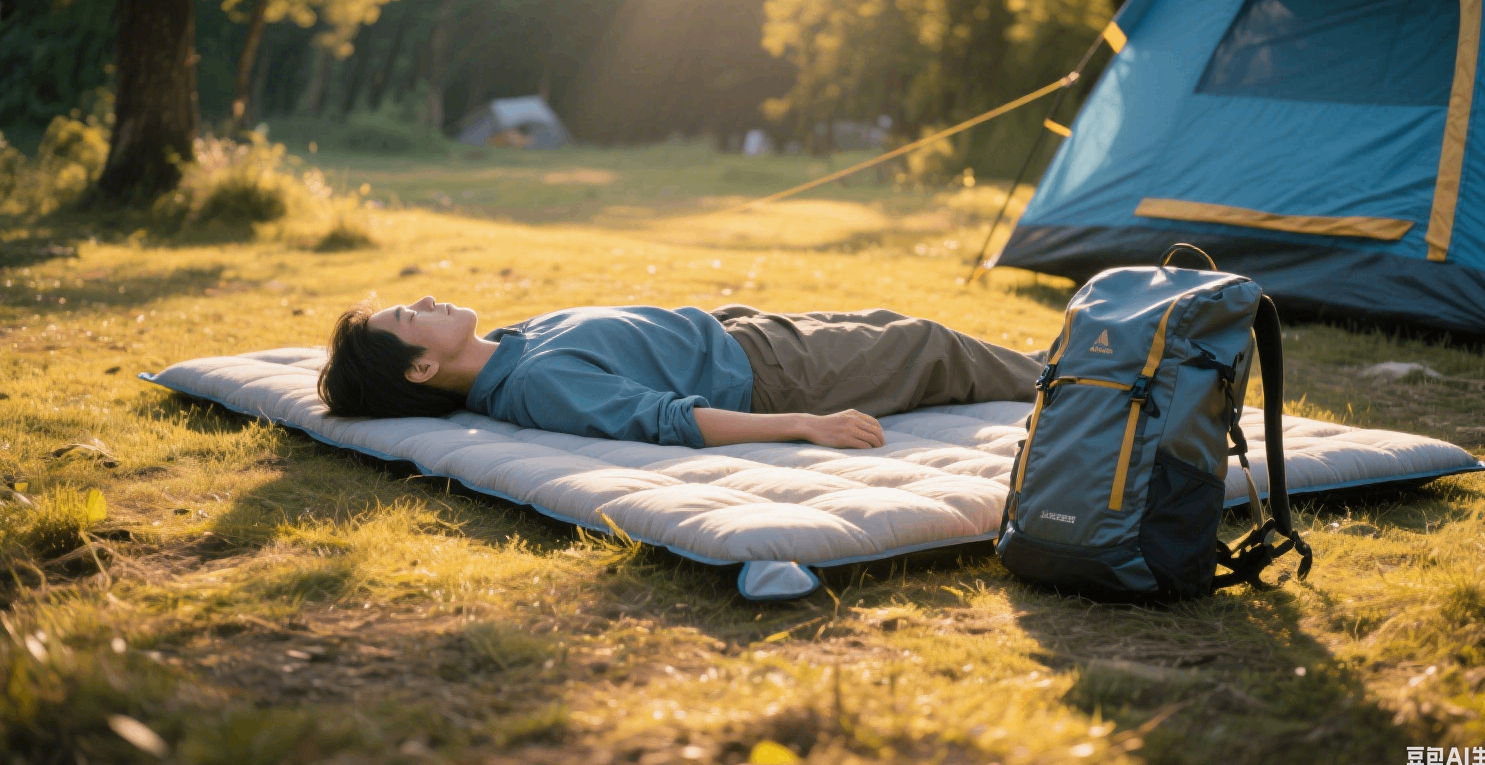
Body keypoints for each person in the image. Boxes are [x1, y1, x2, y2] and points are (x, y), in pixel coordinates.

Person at [317, 297, 1043, 450]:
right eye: (409, 320)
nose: (420, 303)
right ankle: (1076, 381)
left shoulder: (510, 346)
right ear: (421, 366)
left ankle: (1071, 370)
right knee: (928, 345)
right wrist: (804, 424)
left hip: (747, 335)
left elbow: (634, 340)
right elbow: (668, 418)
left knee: (895, 325)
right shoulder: (536, 383)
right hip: (774, 377)